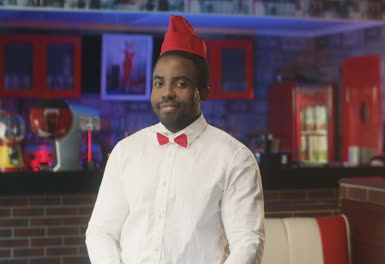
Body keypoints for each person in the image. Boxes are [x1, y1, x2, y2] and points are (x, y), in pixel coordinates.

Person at [85, 15, 265, 264]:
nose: (167, 92)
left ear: (203, 92)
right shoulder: (125, 152)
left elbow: (248, 243)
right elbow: (101, 231)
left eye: (181, 83)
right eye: (159, 83)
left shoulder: (234, 158)